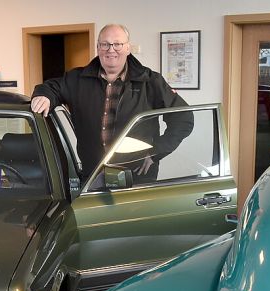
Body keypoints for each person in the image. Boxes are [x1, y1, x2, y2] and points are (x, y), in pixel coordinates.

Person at [31, 23, 193, 183]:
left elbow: (183, 118)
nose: (111, 49)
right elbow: (51, 87)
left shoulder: (150, 81)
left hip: (136, 176)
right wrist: (44, 95)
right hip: (93, 175)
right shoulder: (77, 79)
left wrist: (156, 152)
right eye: (105, 44)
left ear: (128, 48)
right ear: (98, 47)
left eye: (117, 44)